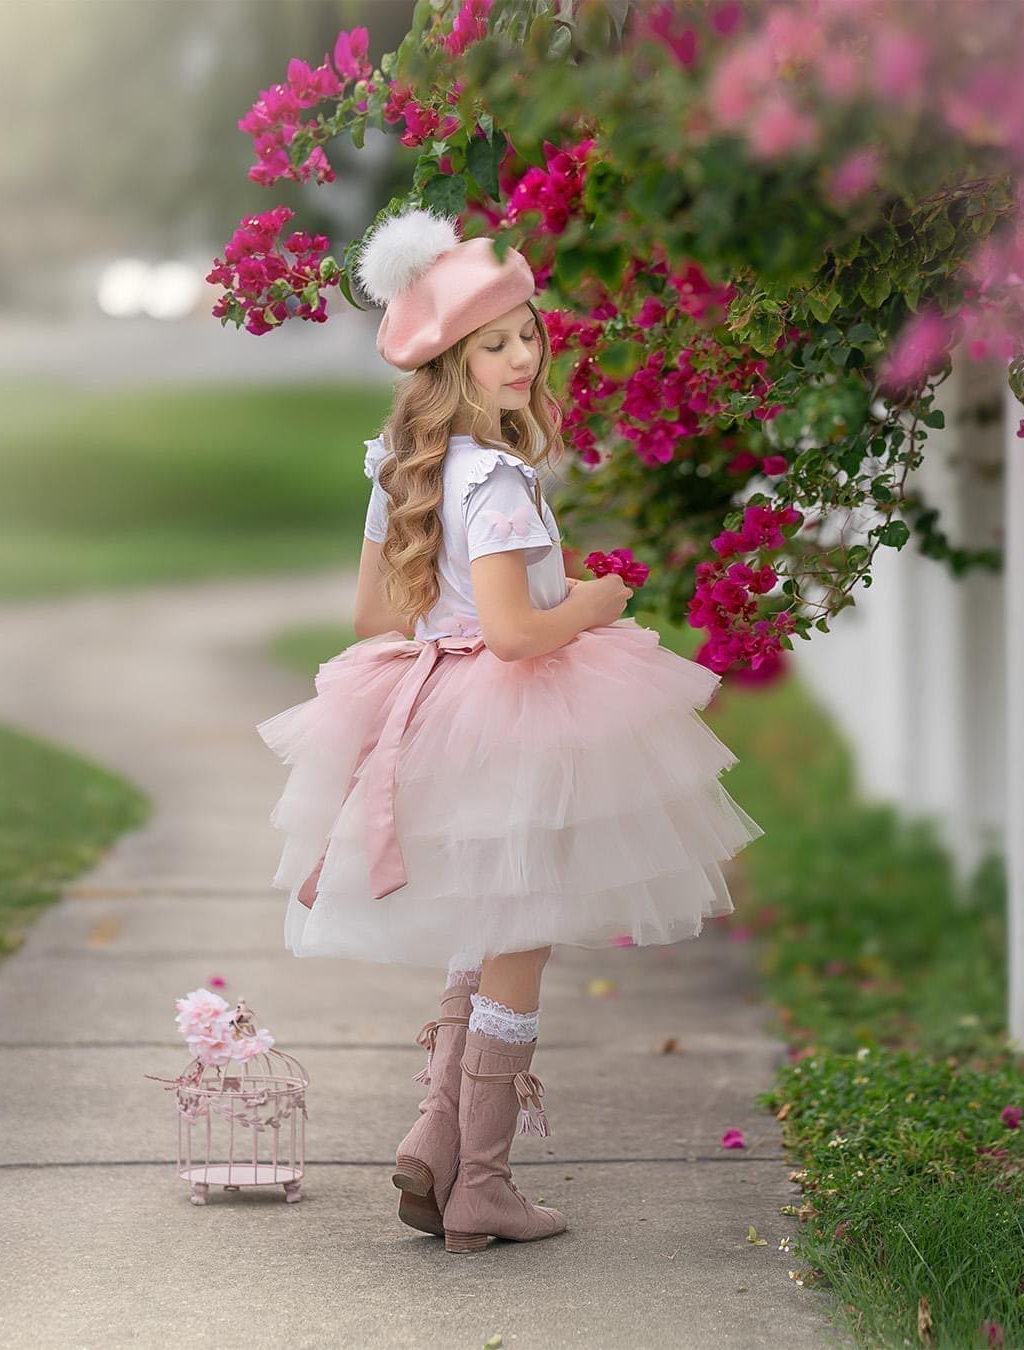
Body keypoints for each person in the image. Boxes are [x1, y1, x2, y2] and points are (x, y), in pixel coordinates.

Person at [255, 205, 765, 1254]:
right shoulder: (498, 480)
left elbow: (373, 617)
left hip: (437, 712)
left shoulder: (403, 465)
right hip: (507, 714)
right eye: (496, 344)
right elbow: (516, 633)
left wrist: (476, 614)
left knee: (488, 926)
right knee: (519, 941)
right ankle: (481, 1183)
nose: (524, 355)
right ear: (452, 360)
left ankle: (435, 1143)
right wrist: (593, 603)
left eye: (529, 333)